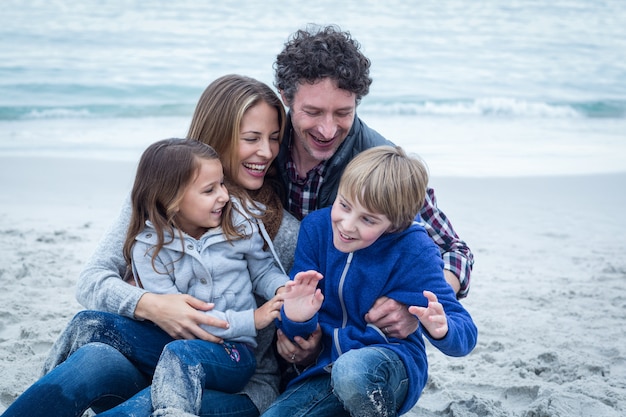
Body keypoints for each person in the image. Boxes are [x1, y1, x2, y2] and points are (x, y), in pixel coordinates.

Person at [1, 75, 297, 417]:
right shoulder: (157, 201)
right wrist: (152, 304)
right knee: (92, 360)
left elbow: (287, 297)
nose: (266, 151)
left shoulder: (275, 226)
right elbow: (92, 280)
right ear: (218, 135)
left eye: (275, 138)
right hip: (151, 361)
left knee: (143, 408)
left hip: (233, 383)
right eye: (251, 138)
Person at [270, 23, 474, 378]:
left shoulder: (379, 164)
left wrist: (412, 305)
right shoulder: (261, 147)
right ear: (285, 97)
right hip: (280, 310)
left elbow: (456, 253)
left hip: (350, 336)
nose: (328, 130)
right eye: (313, 112)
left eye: (343, 113)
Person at [263, 146, 477, 416]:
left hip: (389, 363)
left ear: (395, 224)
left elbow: (466, 332)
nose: (347, 225)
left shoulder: (414, 250)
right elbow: (298, 332)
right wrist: (296, 317)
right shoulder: (316, 229)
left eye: (368, 219)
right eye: (344, 205)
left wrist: (442, 329)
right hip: (325, 367)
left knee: (351, 372)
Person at [124, 138, 292, 416]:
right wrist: (252, 319)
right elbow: (184, 321)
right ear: (172, 199)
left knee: (181, 355)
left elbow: (262, 270)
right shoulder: (149, 248)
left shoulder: (237, 220)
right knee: (89, 324)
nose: (224, 196)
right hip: (181, 346)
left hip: (234, 355)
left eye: (222, 184)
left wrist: (282, 289)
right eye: (209, 190)